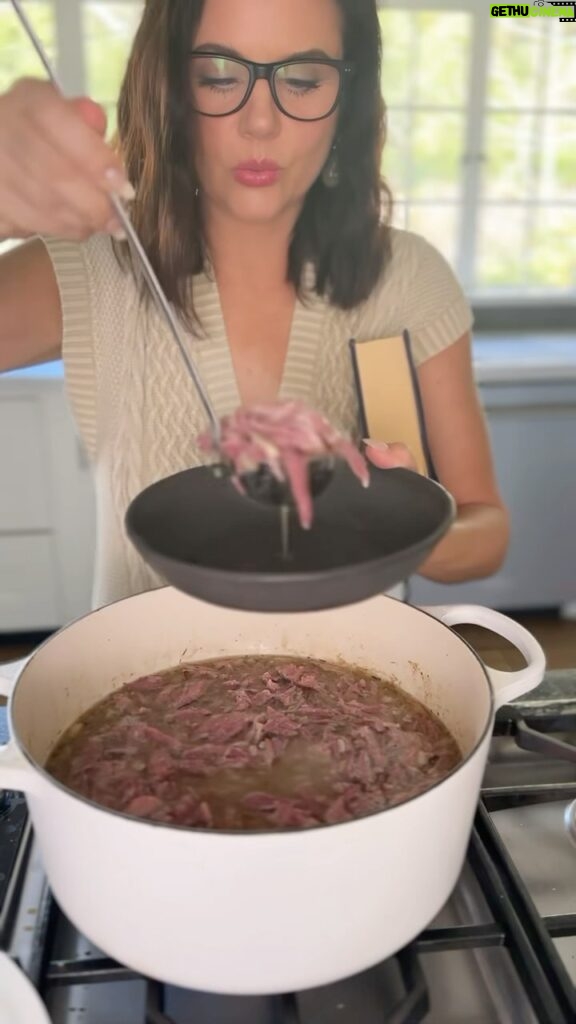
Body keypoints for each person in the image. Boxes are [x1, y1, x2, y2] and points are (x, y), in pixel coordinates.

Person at [0, 0, 508, 609]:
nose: (261, 123)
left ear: (347, 99)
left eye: (301, 80)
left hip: (357, 678)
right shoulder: (90, 263)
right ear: (170, 92)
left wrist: (390, 525)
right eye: (219, 76)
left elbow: (487, 534)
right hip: (147, 682)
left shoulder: (407, 280)